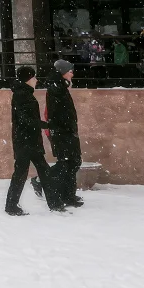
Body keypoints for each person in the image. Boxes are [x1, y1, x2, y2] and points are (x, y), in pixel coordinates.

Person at [5, 66, 64, 216]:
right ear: (28, 79)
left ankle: (54, 204)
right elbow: (25, 120)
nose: (36, 80)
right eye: (34, 77)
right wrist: (46, 125)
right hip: (25, 141)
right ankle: (11, 206)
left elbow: (27, 119)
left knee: (43, 171)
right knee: (23, 173)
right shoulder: (21, 95)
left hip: (29, 141)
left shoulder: (24, 93)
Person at [46, 59, 83, 208]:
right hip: (62, 132)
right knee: (67, 163)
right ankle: (47, 184)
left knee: (72, 162)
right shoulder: (56, 88)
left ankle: (68, 195)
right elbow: (58, 113)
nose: (72, 74)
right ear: (62, 73)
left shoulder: (60, 86)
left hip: (66, 131)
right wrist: (65, 128)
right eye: (70, 71)